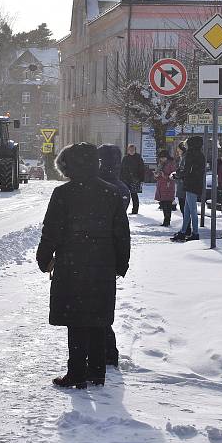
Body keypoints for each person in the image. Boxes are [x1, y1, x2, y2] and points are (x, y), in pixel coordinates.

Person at [37, 143, 131, 389]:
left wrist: (44, 257)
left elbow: (51, 230)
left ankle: (77, 372)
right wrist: (121, 263)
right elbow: (121, 232)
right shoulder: (110, 192)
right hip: (103, 264)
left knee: (76, 320)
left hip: (72, 264)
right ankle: (97, 372)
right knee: (99, 318)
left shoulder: (63, 194)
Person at [97, 144, 130, 368]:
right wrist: (121, 261)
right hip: (108, 257)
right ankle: (108, 352)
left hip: (96, 255)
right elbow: (122, 232)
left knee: (93, 309)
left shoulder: (100, 186)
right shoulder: (122, 188)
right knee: (103, 307)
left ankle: (103, 354)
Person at [171, 136, 205, 242]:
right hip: (196, 183)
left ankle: (195, 233)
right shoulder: (200, 155)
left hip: (190, 184)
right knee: (187, 210)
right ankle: (183, 231)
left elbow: (186, 170)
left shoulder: (191, 154)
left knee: (192, 210)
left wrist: (177, 175)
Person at [154, 150, 177, 227]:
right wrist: (156, 175)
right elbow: (158, 173)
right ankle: (165, 220)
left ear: (166, 157)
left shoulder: (171, 164)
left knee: (168, 204)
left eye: (163, 158)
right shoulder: (161, 164)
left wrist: (165, 176)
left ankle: (167, 221)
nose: (161, 159)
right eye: (161, 158)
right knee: (163, 203)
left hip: (168, 186)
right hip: (161, 185)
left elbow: (173, 175)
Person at [121, 144, 146, 214]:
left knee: (134, 195)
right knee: (125, 195)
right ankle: (123, 210)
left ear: (135, 150)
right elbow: (122, 169)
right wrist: (120, 178)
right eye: (130, 150)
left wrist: (141, 179)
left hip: (135, 179)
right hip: (125, 179)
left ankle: (135, 210)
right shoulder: (125, 158)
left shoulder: (138, 158)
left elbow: (142, 169)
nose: (131, 151)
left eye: (133, 150)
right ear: (128, 150)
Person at [174, 142, 191, 236]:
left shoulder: (185, 158)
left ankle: (186, 229)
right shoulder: (183, 158)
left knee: (185, 208)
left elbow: (183, 172)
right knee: (184, 208)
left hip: (183, 186)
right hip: (182, 186)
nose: (177, 151)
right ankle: (186, 228)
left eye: (178, 149)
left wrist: (177, 175)